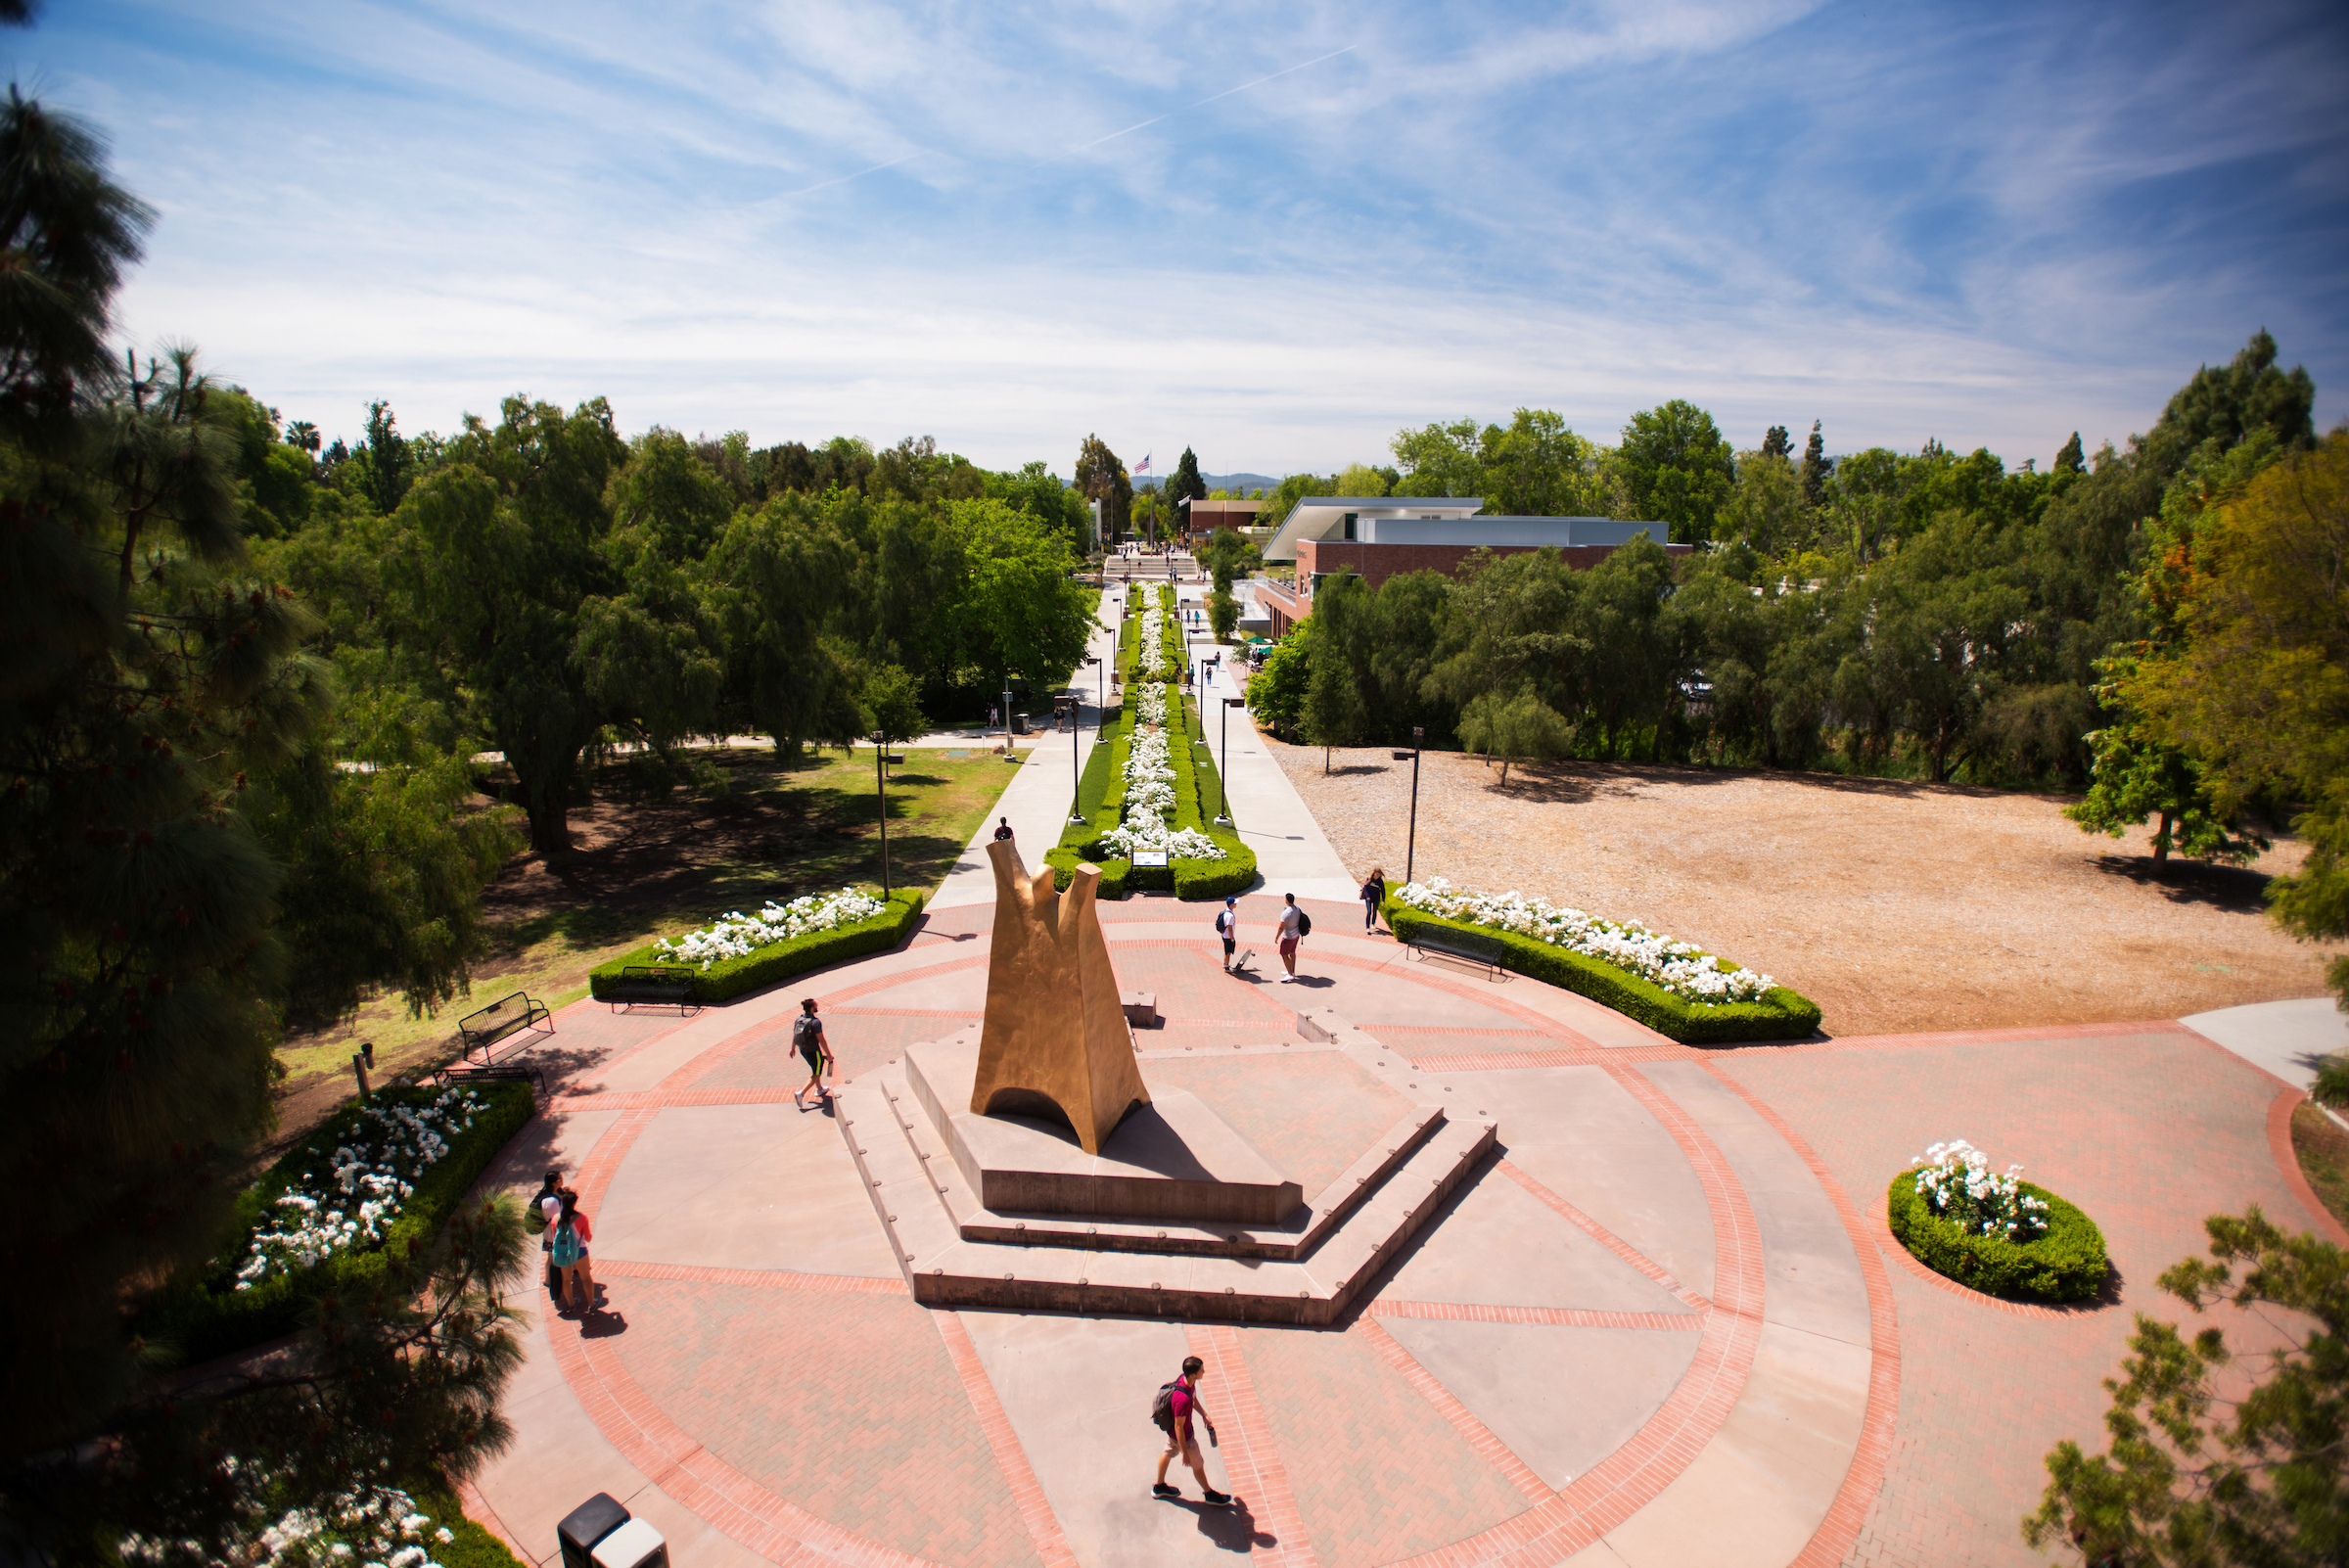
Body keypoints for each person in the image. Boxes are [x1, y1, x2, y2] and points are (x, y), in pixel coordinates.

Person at [1152, 1356, 1229, 1504]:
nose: (1204, 1372)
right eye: (1201, 1370)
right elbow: (1179, 1427)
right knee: (1198, 1465)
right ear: (1193, 1375)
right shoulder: (1183, 1400)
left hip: (1174, 1436)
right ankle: (1209, 1494)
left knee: (1167, 1453)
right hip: (1185, 1439)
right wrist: (1185, 1453)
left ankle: (1159, 1487)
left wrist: (1204, 1415)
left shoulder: (1185, 1381)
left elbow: (1193, 1398)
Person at [549, 1189, 598, 1315]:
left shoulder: (555, 1218)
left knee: (566, 1279)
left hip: (563, 1252)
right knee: (585, 1277)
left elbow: (555, 1237)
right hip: (579, 1251)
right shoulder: (581, 1218)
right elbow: (588, 1238)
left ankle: (571, 1304)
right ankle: (591, 1304)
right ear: (574, 1203)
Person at [792, 997, 834, 1109]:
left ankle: (819, 1089)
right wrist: (828, 1054)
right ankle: (801, 1093)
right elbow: (821, 1040)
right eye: (815, 1005)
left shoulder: (799, 1019)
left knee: (815, 1068)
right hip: (814, 1051)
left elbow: (795, 1034)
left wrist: (793, 1048)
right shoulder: (815, 1022)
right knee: (817, 1073)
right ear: (811, 1008)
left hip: (803, 1050)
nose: (817, 1007)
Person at [1276, 893, 1305, 982]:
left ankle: (1290, 974)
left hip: (1288, 937)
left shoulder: (1286, 913)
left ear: (1286, 900)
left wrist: (1277, 937)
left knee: (1284, 954)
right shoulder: (1298, 909)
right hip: (1296, 935)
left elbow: (1281, 927)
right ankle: (1291, 970)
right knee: (1292, 952)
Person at [1215, 896, 1239, 971]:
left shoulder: (1226, 912)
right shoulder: (1230, 916)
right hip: (1228, 936)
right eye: (1235, 903)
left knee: (1227, 950)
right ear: (1231, 905)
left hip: (1225, 935)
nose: (1236, 904)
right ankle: (1226, 966)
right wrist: (1232, 938)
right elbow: (1230, 928)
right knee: (1228, 952)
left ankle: (1225, 963)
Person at [1360, 867, 1387, 934]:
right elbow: (1365, 888)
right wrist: (1367, 896)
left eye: (1379, 875)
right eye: (1376, 874)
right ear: (1374, 873)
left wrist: (1383, 899)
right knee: (1369, 911)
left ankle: (1373, 923)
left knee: (1375, 911)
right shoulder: (1369, 879)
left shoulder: (1380, 881)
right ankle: (1367, 928)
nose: (1377, 876)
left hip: (1376, 898)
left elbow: (1383, 890)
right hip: (1369, 898)